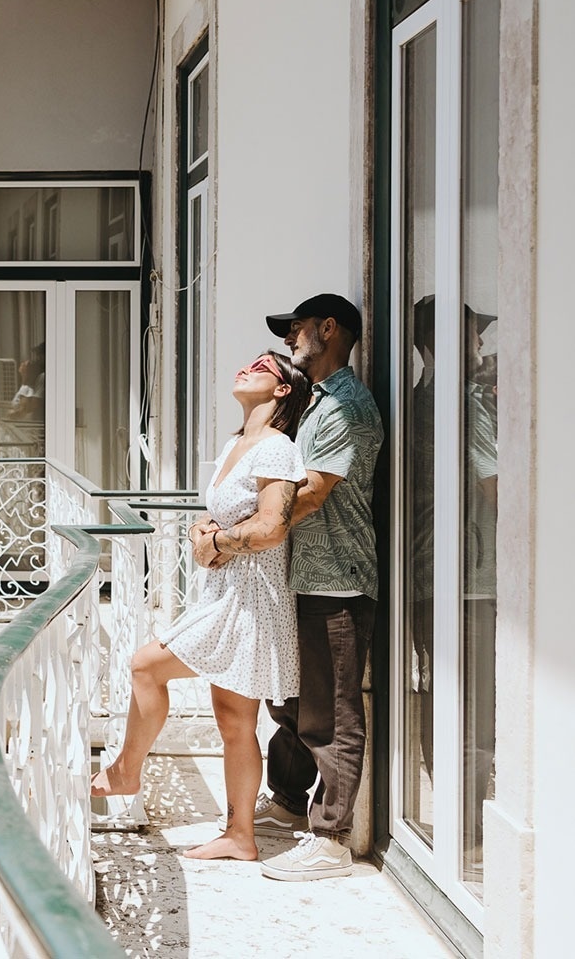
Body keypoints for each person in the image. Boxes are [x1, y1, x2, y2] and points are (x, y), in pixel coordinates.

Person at [90, 350, 313, 861]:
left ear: (281, 391)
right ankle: (240, 837)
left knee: (146, 665)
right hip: (225, 589)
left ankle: (126, 770)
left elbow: (273, 527)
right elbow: (231, 516)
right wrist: (204, 533)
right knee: (234, 720)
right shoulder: (237, 443)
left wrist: (216, 544)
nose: (245, 368)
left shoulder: (276, 448)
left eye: (261, 368)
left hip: (252, 597)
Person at [247, 293, 385, 881]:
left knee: (331, 711)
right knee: (292, 702)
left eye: (297, 329)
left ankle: (330, 840)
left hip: (339, 580)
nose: (289, 340)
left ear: (329, 329)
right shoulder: (317, 403)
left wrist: (240, 533)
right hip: (306, 576)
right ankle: (285, 802)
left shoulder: (346, 406)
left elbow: (311, 492)